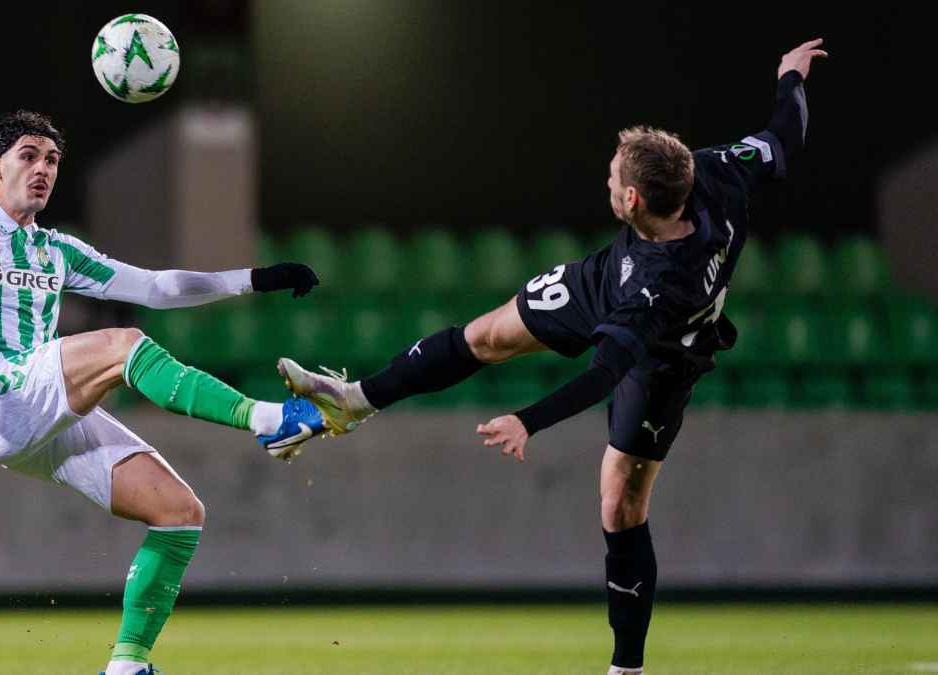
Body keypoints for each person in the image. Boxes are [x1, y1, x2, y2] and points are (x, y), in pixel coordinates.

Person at [277, 39, 827, 674]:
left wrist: (527, 420)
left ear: (633, 203)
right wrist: (791, 77)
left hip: (663, 350)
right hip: (607, 281)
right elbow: (784, 134)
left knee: (620, 501)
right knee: (485, 336)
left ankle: (627, 668)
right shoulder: (719, 171)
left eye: (613, 176)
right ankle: (354, 402)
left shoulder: (658, 289)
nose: (609, 177)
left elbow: (603, 374)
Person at [0, 110, 324, 675]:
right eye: (29, 155)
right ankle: (267, 419)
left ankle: (127, 664)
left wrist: (254, 278)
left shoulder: (56, 250)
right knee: (122, 344)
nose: (42, 169)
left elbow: (156, 286)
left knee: (179, 511)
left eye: (52, 160)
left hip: (44, 409)